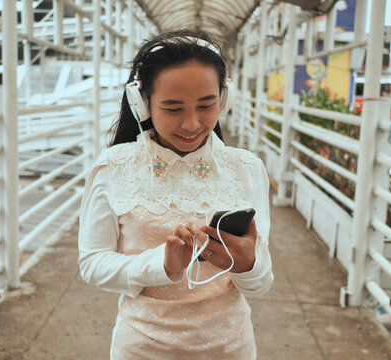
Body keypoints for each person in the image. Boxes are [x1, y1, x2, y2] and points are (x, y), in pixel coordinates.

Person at [78, 29, 273, 359]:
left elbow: (260, 284)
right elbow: (92, 264)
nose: (192, 123)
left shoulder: (246, 168)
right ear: (142, 104)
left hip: (230, 348)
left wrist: (248, 264)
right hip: (141, 349)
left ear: (224, 100)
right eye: (173, 108)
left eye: (206, 105)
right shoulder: (114, 166)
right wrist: (161, 265)